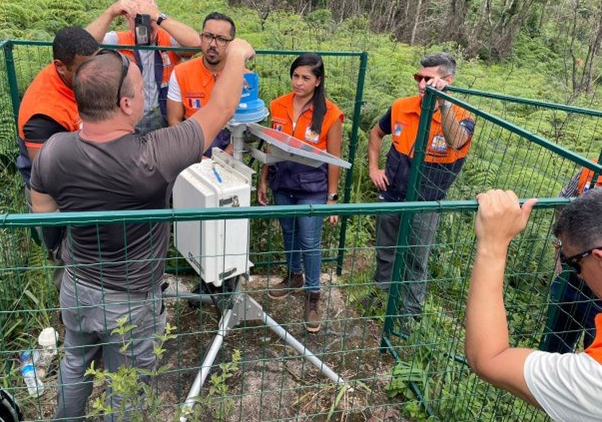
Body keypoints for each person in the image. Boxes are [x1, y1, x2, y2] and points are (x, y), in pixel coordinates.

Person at [30, 38, 255, 421]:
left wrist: (61, 251)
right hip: (130, 301)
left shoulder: (54, 150)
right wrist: (235, 55)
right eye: (138, 88)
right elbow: (221, 108)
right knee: (128, 384)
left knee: (74, 363)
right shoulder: (153, 156)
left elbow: (42, 209)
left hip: (77, 285)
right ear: (126, 104)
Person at [467, 188, 602, 421]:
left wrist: (493, 244)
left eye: (574, 264)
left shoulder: (594, 379)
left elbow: (490, 358)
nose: (578, 276)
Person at [364, 52, 475, 317]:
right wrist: (373, 168)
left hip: (426, 201)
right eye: (419, 78)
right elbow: (376, 133)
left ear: (447, 81)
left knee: (416, 260)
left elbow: (456, 140)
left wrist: (443, 104)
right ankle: (381, 295)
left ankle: (409, 313)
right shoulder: (402, 106)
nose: (422, 85)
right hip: (392, 194)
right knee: (385, 249)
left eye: (429, 79)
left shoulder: (463, 114)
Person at [257, 53, 344, 334]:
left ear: (318, 81)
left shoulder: (331, 114)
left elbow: (334, 157)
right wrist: (263, 179)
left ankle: (313, 294)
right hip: (283, 183)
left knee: (310, 240)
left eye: (306, 77)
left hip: (312, 189)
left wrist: (332, 198)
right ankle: (293, 275)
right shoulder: (278, 105)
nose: (299, 82)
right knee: (289, 233)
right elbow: (271, 145)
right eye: (295, 76)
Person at [16, 26, 99, 290]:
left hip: (82, 176)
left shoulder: (74, 70)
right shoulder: (42, 114)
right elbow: (48, 176)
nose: (94, 75)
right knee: (65, 256)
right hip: (54, 198)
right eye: (85, 69)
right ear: (60, 67)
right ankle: (70, 312)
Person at [86, 0, 201, 133]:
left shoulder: (168, 39)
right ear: (128, 19)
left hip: (163, 115)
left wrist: (158, 16)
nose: (145, 24)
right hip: (126, 116)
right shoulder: (118, 40)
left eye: (149, 18)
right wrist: (111, 12)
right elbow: (86, 45)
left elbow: (196, 43)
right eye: (138, 19)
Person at [540, 161, 602, 353]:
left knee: (594, 352)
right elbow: (563, 202)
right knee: (555, 343)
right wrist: (564, 249)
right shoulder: (590, 169)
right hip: (574, 273)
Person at [166, 12, 240, 156]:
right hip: (191, 144)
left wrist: (224, 159)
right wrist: (194, 156)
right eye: (208, 36)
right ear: (201, 37)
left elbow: (247, 127)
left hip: (231, 147)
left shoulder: (243, 76)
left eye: (221, 39)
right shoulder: (181, 72)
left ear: (231, 43)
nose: (213, 44)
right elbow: (174, 120)